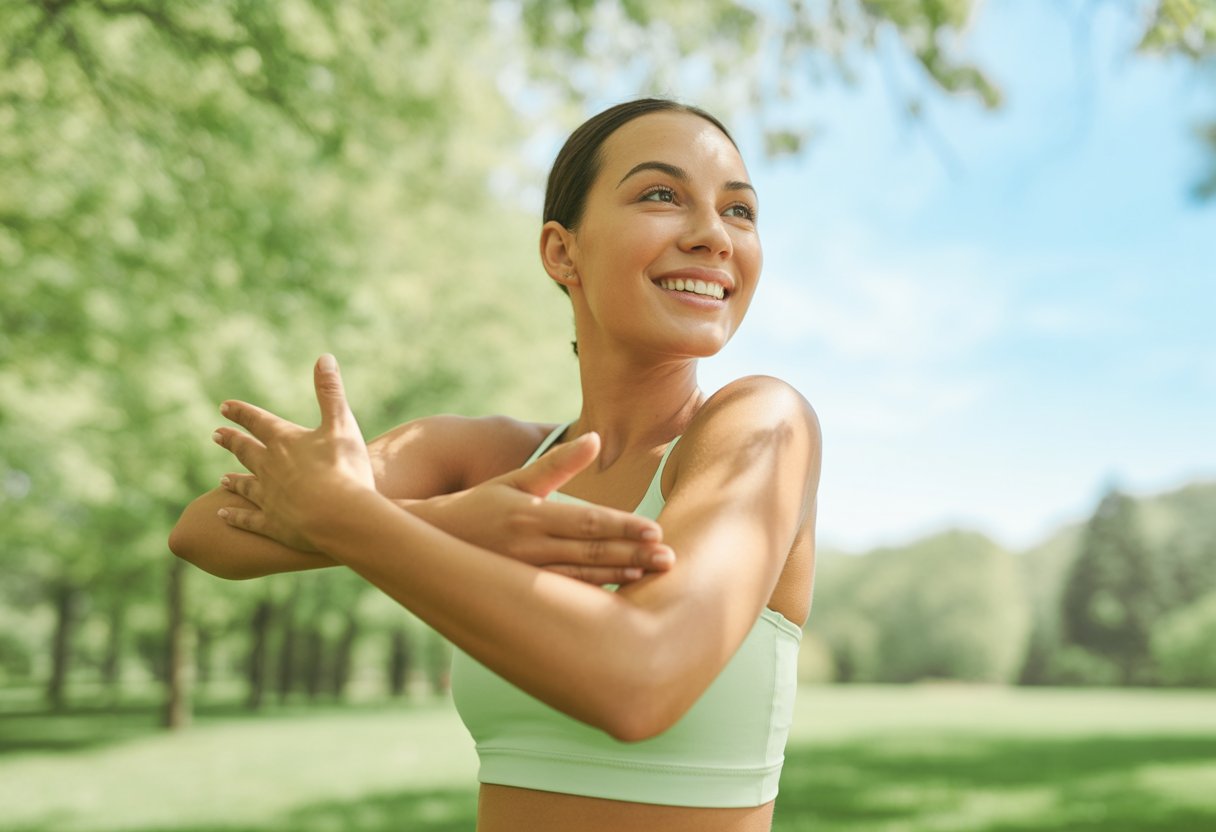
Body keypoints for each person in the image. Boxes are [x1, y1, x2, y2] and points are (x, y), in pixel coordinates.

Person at [169, 98, 821, 832]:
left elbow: (641, 679)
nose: (713, 236)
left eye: (740, 211)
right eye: (661, 195)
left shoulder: (764, 424)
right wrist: (448, 522)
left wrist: (353, 517)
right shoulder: (487, 459)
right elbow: (204, 531)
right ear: (561, 252)